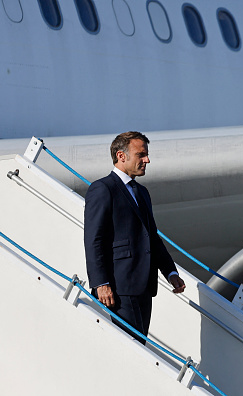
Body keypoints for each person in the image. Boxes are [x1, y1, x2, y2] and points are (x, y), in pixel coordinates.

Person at [84, 131, 185, 343]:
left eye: (146, 155)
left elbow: (152, 238)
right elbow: (94, 240)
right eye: (141, 155)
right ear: (121, 156)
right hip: (118, 289)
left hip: (144, 287)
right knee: (130, 349)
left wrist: (170, 272)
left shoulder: (142, 192)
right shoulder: (102, 189)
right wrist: (101, 283)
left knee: (140, 345)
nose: (147, 160)